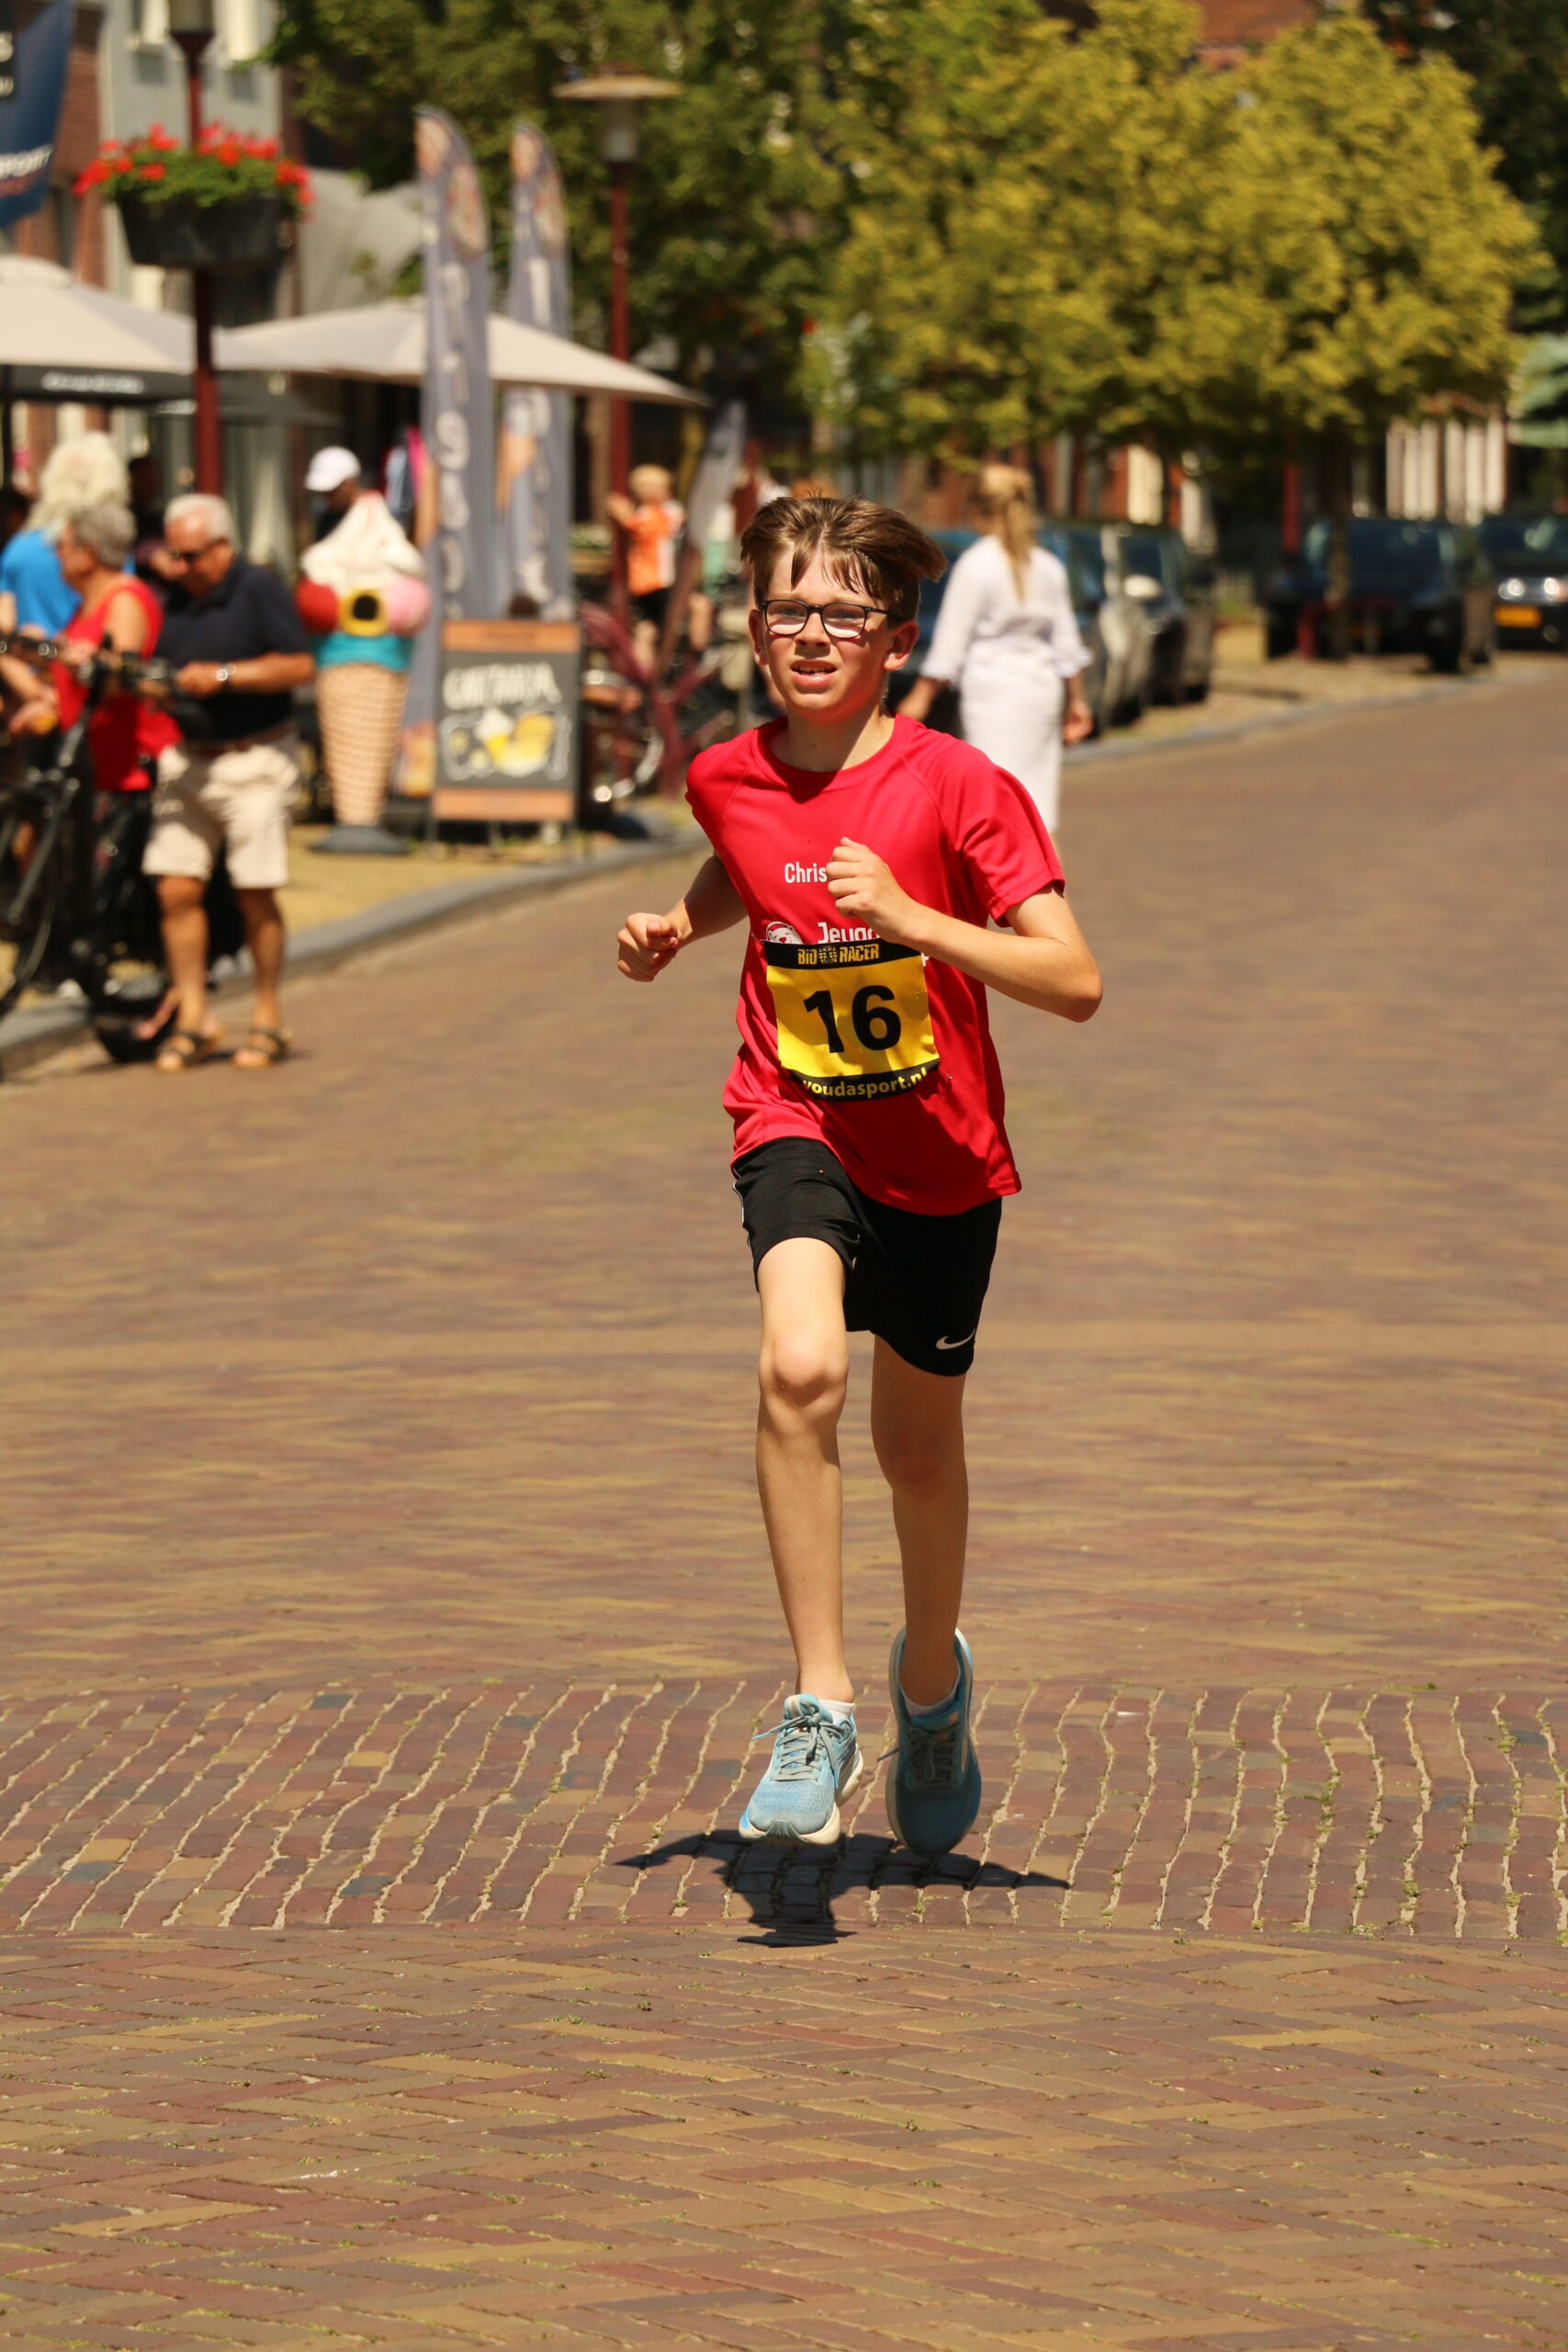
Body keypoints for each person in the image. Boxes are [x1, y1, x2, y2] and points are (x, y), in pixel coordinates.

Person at [615, 495, 1101, 1857]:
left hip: (941, 1155)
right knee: (799, 1369)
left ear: (894, 637)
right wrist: (679, 922)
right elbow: (750, 855)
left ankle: (930, 1687)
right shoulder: (723, 773)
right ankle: (819, 1706)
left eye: (843, 612)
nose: (812, 634)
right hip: (794, 1115)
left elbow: (1073, 979)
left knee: (915, 1450)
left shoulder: (960, 786)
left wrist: (910, 916)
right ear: (751, 629)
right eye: (787, 608)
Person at [142, 492, 313, 1072]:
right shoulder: (172, 599)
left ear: (222, 547)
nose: (181, 567)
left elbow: (299, 665)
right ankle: (195, 1017)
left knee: (254, 890)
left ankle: (268, 1015)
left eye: (191, 556)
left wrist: (225, 676)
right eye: (174, 556)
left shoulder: (258, 588)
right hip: (190, 759)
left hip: (255, 758)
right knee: (175, 888)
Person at [899, 463, 1094, 833]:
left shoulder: (976, 566)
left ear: (977, 509)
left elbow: (949, 649)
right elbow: (1067, 644)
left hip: (992, 695)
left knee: (993, 805)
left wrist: (919, 699)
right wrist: (1078, 702)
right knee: (1038, 811)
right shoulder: (1047, 566)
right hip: (1041, 693)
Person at [0, 502, 178, 789]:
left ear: (88, 554)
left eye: (62, 546)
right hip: (97, 769)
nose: (57, 555)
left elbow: (120, 678)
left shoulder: (125, 599)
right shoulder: (87, 604)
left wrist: (88, 664)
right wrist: (48, 697)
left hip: (131, 774)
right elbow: (78, 680)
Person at [0, 431, 129, 640]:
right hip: (86, 657)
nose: (60, 554)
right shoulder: (111, 550)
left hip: (34, 658)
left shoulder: (19, 549)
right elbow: (123, 627)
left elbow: (4, 627)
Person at [606, 463, 683, 665]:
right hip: (655, 581)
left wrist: (622, 512)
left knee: (648, 630)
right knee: (655, 630)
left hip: (650, 581)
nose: (668, 492)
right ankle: (650, 674)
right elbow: (639, 525)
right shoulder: (652, 514)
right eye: (664, 488)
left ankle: (647, 673)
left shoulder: (662, 513)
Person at [305, 445, 364, 539]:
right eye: (323, 491)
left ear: (351, 482)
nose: (326, 496)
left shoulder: (371, 517)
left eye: (333, 490)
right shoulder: (326, 518)